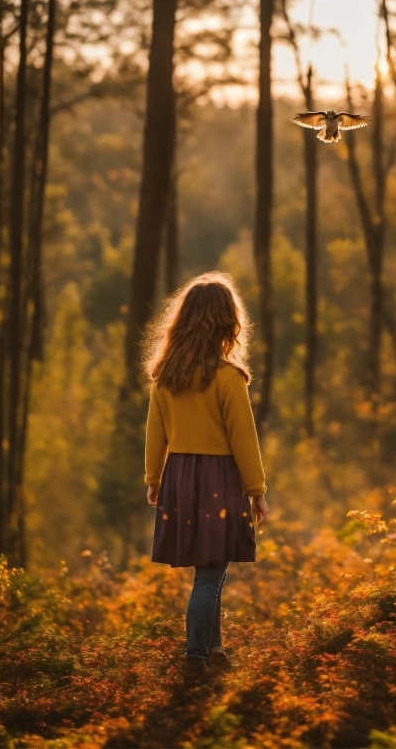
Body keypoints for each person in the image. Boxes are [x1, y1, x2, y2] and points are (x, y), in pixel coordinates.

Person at [143, 271, 269, 682]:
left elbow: (155, 432)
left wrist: (154, 479)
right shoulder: (228, 378)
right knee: (212, 572)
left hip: (180, 479)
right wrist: (257, 491)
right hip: (218, 480)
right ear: (225, 323)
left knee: (209, 568)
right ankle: (196, 657)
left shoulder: (166, 376)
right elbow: (243, 439)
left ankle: (214, 650)